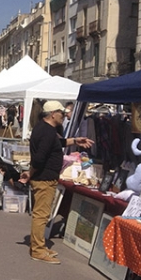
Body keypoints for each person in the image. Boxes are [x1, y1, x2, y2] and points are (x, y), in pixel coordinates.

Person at [20, 100, 93, 264]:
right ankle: (37, 251)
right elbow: (39, 159)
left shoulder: (46, 130)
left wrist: (75, 140)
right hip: (44, 178)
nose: (64, 115)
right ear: (53, 114)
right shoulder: (46, 131)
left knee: (42, 214)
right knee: (41, 215)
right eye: (62, 112)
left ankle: (39, 246)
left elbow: (57, 143)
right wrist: (30, 173)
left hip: (45, 177)